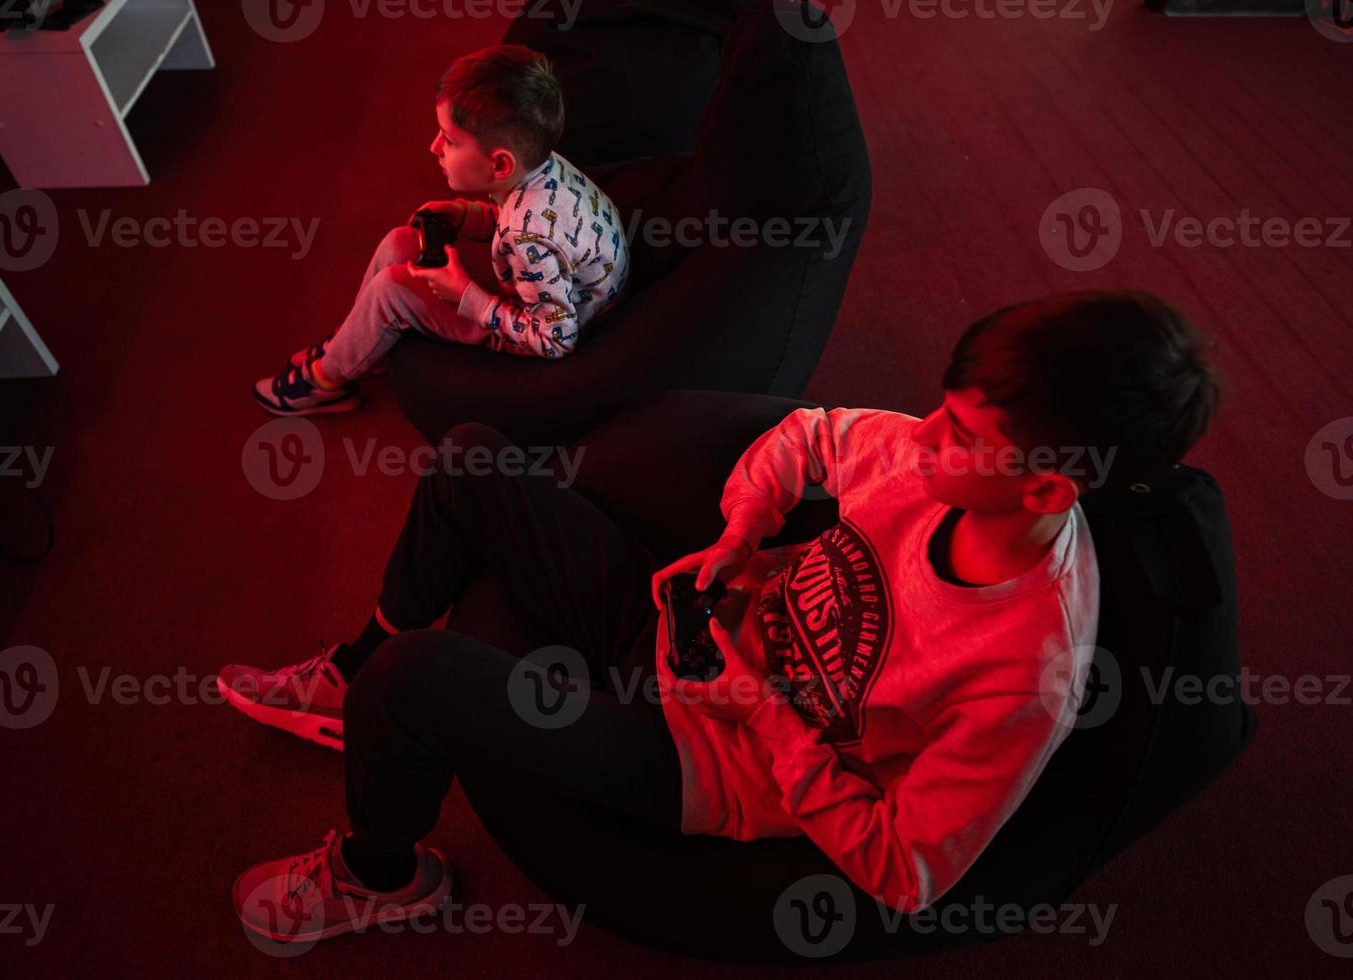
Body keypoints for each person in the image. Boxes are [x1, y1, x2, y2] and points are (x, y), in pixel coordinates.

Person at [222, 291, 1220, 941]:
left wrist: (763, 712)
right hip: (690, 628)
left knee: (425, 681)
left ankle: (381, 874)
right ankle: (351, 669)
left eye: (963, 430)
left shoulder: (1025, 668)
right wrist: (743, 530)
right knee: (472, 455)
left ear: (1047, 490)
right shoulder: (931, 465)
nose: (924, 433)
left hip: (712, 762)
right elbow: (807, 435)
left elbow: (908, 870)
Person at [253, 44, 629, 417]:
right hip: (554, 291)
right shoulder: (543, 167)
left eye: (449, 140)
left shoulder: (526, 239)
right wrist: (464, 215)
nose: (433, 147)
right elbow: (522, 224)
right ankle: (356, 343)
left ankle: (326, 381)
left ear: (499, 164)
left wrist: (465, 294)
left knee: (391, 291)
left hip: (543, 333)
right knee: (400, 241)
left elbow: (555, 341)